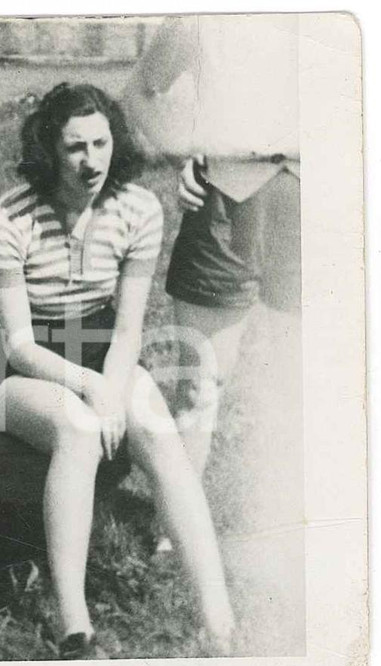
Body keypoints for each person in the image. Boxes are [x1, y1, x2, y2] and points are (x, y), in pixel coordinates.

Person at [0, 83, 234, 658]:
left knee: (161, 434)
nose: (90, 160)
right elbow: (18, 345)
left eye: (100, 143)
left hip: (104, 348)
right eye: (74, 147)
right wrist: (93, 389)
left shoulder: (138, 209)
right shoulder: (6, 218)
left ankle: (219, 619)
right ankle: (75, 625)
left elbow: (127, 331)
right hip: (22, 368)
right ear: (48, 149)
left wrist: (112, 384)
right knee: (76, 426)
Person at [121, 14, 301, 477]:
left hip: (317, 203)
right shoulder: (200, 18)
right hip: (226, 200)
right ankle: (179, 527)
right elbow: (142, 89)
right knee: (201, 381)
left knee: (312, 379)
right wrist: (188, 148)